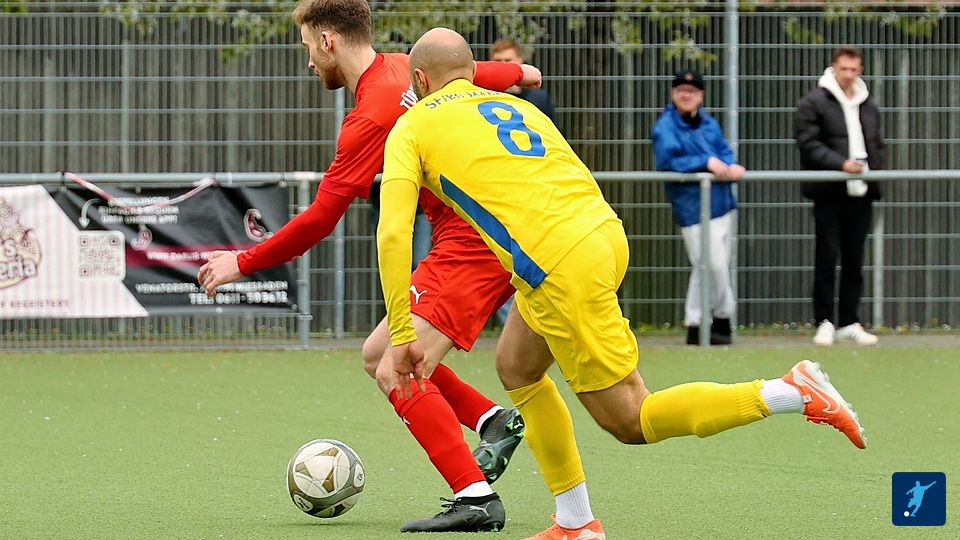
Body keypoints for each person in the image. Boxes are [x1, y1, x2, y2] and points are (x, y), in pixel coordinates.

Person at [378, 27, 867, 540]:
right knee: (517, 367)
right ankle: (574, 522)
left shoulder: (412, 125)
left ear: (419, 79)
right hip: (601, 234)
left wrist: (403, 333)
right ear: (473, 72)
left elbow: (393, 234)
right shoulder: (519, 108)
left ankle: (791, 391)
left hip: (558, 264)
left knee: (631, 419)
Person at [196, 0, 544, 532]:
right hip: (485, 229)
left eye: (309, 47)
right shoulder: (407, 66)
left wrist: (242, 262)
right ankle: (492, 420)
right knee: (377, 352)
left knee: (395, 368)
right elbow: (476, 71)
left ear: (329, 41)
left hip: (475, 241)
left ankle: (475, 497)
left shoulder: (369, 118)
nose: (309, 61)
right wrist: (520, 74)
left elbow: (319, 219)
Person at [796, 46, 884, 347]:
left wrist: (873, 170)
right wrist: (840, 164)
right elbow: (808, 143)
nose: (848, 74)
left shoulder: (868, 103)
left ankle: (849, 321)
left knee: (854, 260)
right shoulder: (813, 102)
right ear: (833, 67)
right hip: (828, 192)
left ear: (860, 70)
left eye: (854, 69)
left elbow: (876, 142)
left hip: (862, 192)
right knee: (826, 257)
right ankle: (824, 321)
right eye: (843, 68)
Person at [652, 69, 744, 346]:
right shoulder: (665, 127)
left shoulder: (708, 123)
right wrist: (706, 162)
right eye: (681, 90)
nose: (686, 95)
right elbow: (669, 162)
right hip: (694, 208)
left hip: (722, 202)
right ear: (673, 93)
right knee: (711, 265)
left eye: (691, 91)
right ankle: (721, 317)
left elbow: (724, 151)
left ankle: (697, 324)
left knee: (708, 266)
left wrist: (729, 165)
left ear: (701, 95)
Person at [490, 39, 557, 125]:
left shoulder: (539, 98)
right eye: (497, 61)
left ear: (520, 60)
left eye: (508, 60)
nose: (503, 65)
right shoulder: (484, 95)